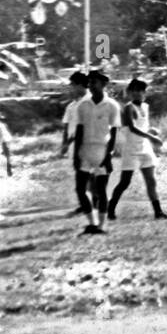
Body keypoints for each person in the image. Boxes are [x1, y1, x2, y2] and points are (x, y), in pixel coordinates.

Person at [108, 78, 167, 220]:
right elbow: (132, 128)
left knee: (151, 180)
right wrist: (151, 137)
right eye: (134, 90)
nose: (137, 93)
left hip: (145, 147)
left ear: (145, 92)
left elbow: (142, 125)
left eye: (140, 90)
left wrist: (151, 130)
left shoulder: (145, 106)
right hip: (132, 149)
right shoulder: (129, 107)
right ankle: (110, 209)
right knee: (125, 182)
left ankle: (158, 212)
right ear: (129, 92)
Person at [74, 70, 119, 234]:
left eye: (94, 82)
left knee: (101, 191)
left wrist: (109, 155)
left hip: (102, 150)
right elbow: (79, 130)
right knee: (80, 189)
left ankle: (101, 225)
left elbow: (114, 132)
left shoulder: (112, 105)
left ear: (103, 84)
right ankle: (91, 223)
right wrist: (75, 155)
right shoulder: (83, 105)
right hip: (85, 150)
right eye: (89, 82)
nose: (91, 85)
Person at [59, 71, 92, 217]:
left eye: (72, 85)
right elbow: (66, 127)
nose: (71, 89)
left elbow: (84, 127)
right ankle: (85, 204)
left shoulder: (90, 101)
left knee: (90, 175)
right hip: (75, 146)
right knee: (81, 176)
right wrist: (64, 144)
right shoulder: (72, 106)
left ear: (80, 85)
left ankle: (91, 204)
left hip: (89, 144)